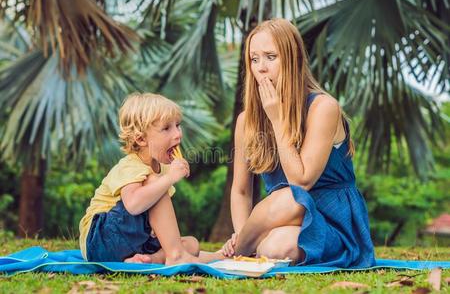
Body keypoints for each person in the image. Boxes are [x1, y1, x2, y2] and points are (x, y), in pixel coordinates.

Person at [221, 18, 375, 268]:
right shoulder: (245, 121)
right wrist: (241, 230)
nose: (261, 68)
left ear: (292, 60)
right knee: (275, 247)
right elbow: (241, 191)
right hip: (278, 221)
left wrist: (277, 120)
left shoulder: (323, 107)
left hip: (330, 219)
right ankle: (245, 246)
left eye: (271, 56)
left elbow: (301, 183)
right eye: (254, 59)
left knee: (290, 199)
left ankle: (234, 254)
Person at [79, 92, 200, 265]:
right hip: (100, 239)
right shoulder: (130, 166)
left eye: (177, 125)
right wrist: (169, 179)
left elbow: (159, 223)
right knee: (154, 183)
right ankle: (176, 256)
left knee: (191, 244)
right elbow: (134, 205)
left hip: (131, 242)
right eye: (166, 128)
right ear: (141, 139)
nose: (178, 134)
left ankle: (147, 260)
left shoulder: (163, 168)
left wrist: (221, 256)